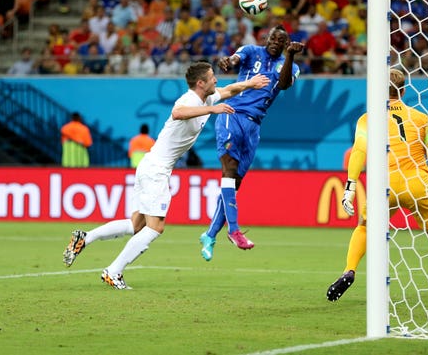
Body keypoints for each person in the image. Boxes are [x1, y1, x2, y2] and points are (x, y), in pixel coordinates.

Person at [62, 62, 270, 289]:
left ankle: (85, 237)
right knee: (155, 227)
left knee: (136, 225)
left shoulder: (206, 98)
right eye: (212, 77)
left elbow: (230, 90)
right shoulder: (189, 100)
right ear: (200, 83)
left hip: (150, 166)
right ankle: (114, 271)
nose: (216, 80)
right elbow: (178, 112)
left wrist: (251, 83)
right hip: (156, 170)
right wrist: (212, 110)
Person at [326, 68, 428, 311]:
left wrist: (350, 188)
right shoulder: (421, 118)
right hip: (418, 184)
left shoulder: (368, 118)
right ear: (403, 91)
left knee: (364, 226)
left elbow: (359, 151)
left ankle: (349, 270)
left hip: (384, 185)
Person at [199, 25, 304, 261]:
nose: (276, 41)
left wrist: (289, 56)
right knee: (229, 170)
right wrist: (228, 60)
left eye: (282, 40)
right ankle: (234, 230)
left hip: (254, 126)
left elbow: (285, 84)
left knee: (233, 184)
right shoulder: (251, 51)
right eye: (273, 37)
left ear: (286, 44)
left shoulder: (290, 65)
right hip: (231, 113)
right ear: (266, 38)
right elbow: (235, 58)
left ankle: (210, 235)